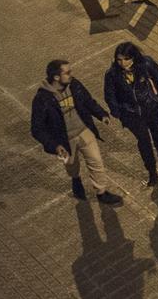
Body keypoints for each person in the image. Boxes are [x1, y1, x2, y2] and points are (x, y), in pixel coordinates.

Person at [30, 59, 123, 204]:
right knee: (72, 165)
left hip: (84, 130)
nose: (71, 75)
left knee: (96, 161)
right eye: (67, 73)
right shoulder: (42, 99)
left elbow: (88, 101)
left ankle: (101, 192)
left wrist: (101, 114)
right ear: (56, 77)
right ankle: (75, 179)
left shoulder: (74, 84)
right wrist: (54, 145)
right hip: (64, 139)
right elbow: (37, 128)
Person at [103, 42, 158, 188]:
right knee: (144, 142)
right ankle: (152, 172)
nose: (123, 63)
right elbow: (110, 95)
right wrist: (118, 112)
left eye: (126, 59)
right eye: (119, 59)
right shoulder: (112, 74)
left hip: (151, 108)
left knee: (157, 131)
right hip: (132, 115)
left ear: (134, 57)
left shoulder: (146, 64)